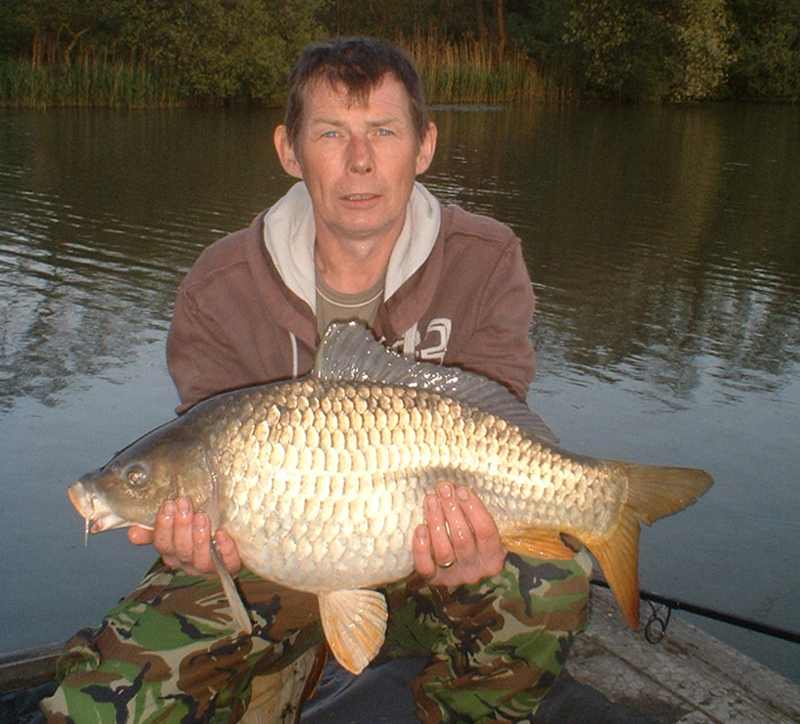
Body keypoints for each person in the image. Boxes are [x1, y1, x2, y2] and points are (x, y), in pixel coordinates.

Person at [42, 37, 590, 723]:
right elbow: (197, 443)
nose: (360, 160)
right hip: (263, 566)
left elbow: (501, 426)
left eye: (383, 132)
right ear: (289, 149)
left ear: (423, 146)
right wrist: (194, 547)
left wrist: (476, 538)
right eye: (332, 133)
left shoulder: (486, 260)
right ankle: (272, 677)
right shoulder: (219, 288)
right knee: (97, 708)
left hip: (437, 553)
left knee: (549, 582)